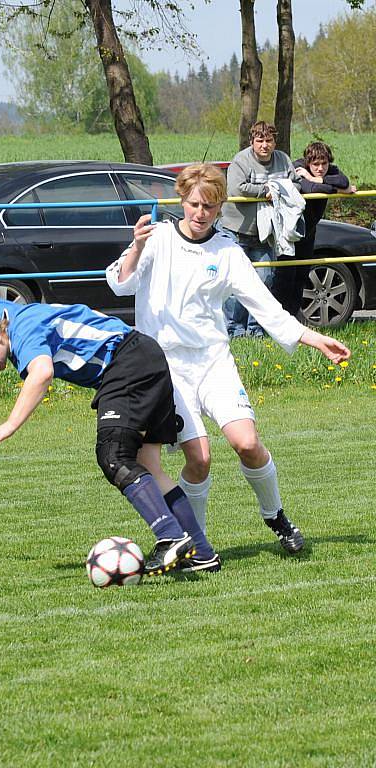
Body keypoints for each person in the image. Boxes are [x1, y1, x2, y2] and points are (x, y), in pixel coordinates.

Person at [0, 268, 220, 578]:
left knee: (113, 456)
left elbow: (42, 374)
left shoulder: (22, 333)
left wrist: (8, 425)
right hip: (145, 354)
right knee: (147, 466)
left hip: (127, 363)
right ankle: (202, 553)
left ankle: (170, 536)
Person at [105, 163, 351, 570]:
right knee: (199, 459)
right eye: (194, 204)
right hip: (166, 368)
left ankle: (275, 515)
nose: (200, 213)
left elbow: (267, 309)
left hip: (213, 361)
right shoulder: (157, 238)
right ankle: (195, 546)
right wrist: (135, 247)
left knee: (248, 444)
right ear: (182, 201)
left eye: (209, 206)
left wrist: (314, 339)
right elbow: (119, 283)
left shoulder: (228, 252)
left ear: (220, 209)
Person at [221, 121, 302, 337]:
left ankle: (256, 329)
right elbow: (237, 188)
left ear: (275, 141)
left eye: (269, 140)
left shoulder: (283, 160)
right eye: (260, 141)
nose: (264, 145)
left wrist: (279, 189)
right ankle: (233, 329)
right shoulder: (241, 161)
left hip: (267, 233)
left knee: (264, 281)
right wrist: (266, 191)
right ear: (252, 142)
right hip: (237, 230)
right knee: (234, 284)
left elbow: (297, 184)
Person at [272, 140, 356, 316]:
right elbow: (310, 189)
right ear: (307, 162)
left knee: (301, 276)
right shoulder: (297, 167)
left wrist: (316, 179)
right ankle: (278, 320)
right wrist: (339, 190)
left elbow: (343, 180)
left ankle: (293, 318)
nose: (320, 168)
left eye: (324, 163)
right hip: (290, 233)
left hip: (309, 232)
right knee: (285, 277)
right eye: (315, 164)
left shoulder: (326, 172)